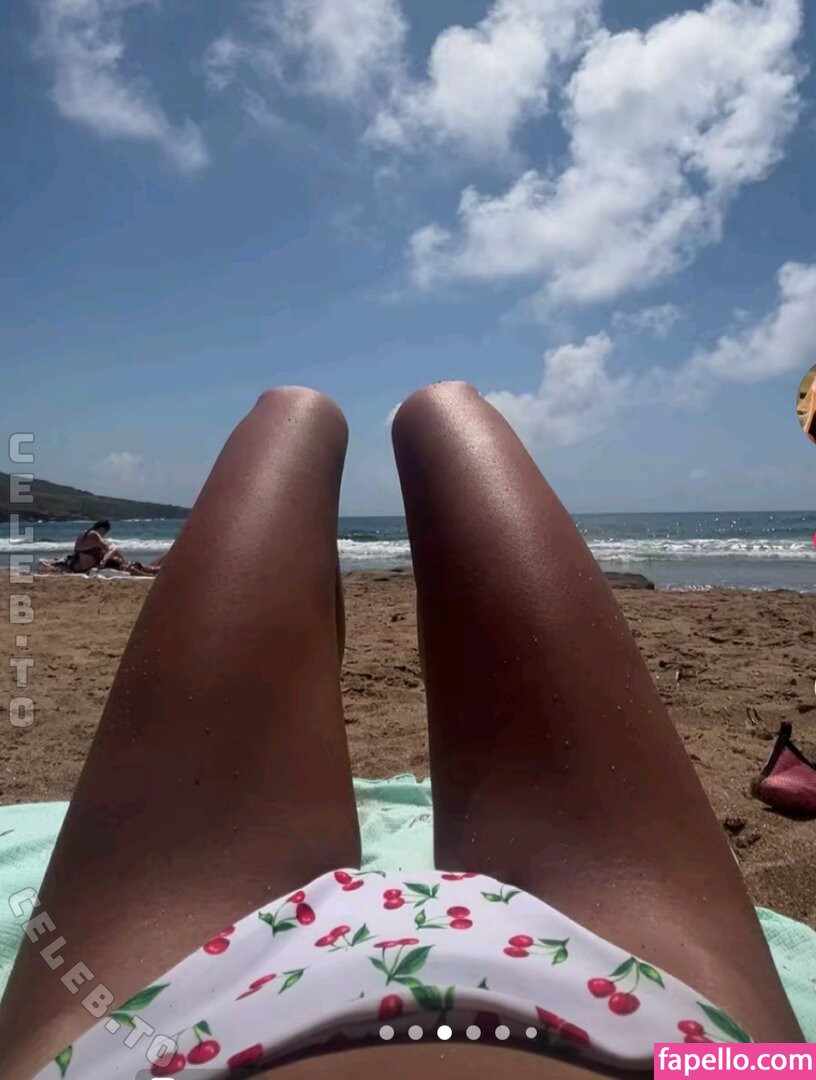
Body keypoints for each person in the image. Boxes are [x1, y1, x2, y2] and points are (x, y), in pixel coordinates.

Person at [0, 386, 802, 1080]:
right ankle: (401, 410)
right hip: (678, 1042)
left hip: (160, 1037)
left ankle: (364, 410)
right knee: (420, 415)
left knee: (312, 416)